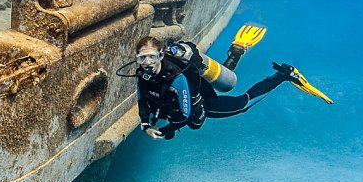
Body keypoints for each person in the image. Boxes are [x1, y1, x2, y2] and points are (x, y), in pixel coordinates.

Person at [134, 30, 331, 140]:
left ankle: (284, 75)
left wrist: (165, 130)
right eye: (142, 58)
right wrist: (145, 125)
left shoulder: (176, 77)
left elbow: (185, 115)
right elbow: (142, 101)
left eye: (152, 57)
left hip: (201, 103)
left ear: (161, 55)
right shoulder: (141, 73)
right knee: (224, 85)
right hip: (198, 90)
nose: (147, 63)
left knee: (241, 105)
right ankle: (235, 53)